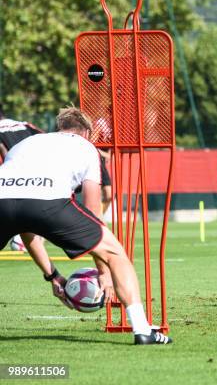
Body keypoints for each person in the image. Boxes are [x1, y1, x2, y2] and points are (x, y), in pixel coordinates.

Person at [0, 106, 172, 345]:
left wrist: (53, 276)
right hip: (50, 203)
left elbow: (25, 225)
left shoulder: (25, 144)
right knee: (115, 252)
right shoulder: (87, 147)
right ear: (88, 133)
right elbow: (93, 209)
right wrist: (104, 272)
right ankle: (143, 330)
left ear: (59, 127)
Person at [0, 104, 45, 253]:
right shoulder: (26, 125)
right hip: (37, 177)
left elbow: (5, 154)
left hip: (12, 180)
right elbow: (46, 140)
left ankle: (23, 236)